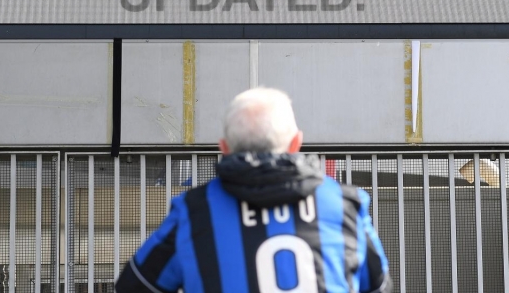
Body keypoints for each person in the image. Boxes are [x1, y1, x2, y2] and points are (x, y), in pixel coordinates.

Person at [116, 87, 392, 293]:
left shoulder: (195, 211)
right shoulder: (345, 205)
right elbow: (380, 286)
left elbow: (133, 286)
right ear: (296, 143)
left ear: (223, 148)